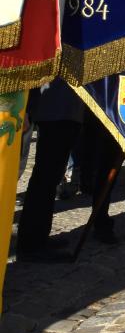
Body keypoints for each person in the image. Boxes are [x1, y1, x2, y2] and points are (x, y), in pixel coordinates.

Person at [16, 79, 85, 262]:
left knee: (51, 178)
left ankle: (39, 237)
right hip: (55, 110)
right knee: (44, 179)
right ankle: (30, 244)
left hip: (67, 109)